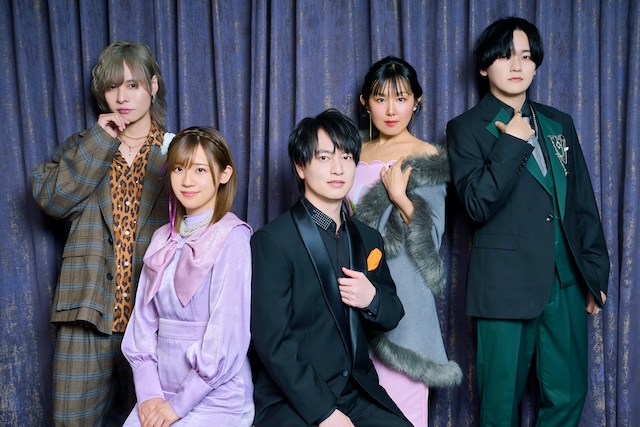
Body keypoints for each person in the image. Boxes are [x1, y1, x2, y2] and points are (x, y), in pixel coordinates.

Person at [446, 17, 610, 427]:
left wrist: (594, 273)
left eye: (526, 56)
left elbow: (582, 203)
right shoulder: (465, 129)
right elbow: (476, 205)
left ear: (536, 64)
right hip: (503, 287)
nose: (517, 65)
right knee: (499, 407)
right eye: (505, 56)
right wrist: (512, 143)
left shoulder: (559, 123)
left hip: (566, 283)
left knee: (569, 396)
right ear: (484, 67)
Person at [31, 41, 172, 426]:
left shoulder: (176, 152)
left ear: (153, 86)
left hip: (155, 321)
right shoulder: (84, 145)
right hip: (87, 313)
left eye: (132, 85)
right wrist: (101, 140)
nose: (122, 97)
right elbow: (53, 199)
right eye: (112, 87)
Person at [250, 109, 412, 426]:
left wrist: (371, 298)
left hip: (357, 392)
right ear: (300, 166)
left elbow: (393, 313)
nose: (338, 168)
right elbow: (273, 342)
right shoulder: (273, 241)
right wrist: (324, 412)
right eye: (324, 158)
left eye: (346, 157)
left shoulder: (368, 238)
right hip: (293, 397)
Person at [346, 56, 462, 426]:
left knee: (402, 407)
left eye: (401, 98)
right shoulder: (350, 153)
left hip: (403, 294)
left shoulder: (426, 156)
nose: (391, 110)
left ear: (416, 101)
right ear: (365, 102)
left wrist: (400, 197)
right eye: (381, 99)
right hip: (350, 289)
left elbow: (432, 237)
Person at [121, 127, 254, 426]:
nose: (187, 181)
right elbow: (141, 327)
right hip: (159, 391)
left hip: (216, 396)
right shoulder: (161, 238)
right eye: (179, 168)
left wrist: (177, 407)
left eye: (200, 169)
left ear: (224, 174)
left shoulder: (232, 236)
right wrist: (150, 395)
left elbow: (226, 337)